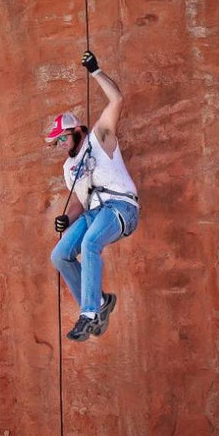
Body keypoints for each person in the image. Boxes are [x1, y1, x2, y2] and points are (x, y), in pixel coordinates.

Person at [46, 51, 139, 342]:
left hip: (121, 208)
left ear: (77, 131)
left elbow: (117, 100)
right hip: (93, 213)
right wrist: (66, 218)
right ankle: (99, 302)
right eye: (57, 141)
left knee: (89, 243)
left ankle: (89, 313)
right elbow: (78, 202)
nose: (61, 144)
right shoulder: (68, 166)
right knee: (60, 256)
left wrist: (96, 71)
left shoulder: (100, 138)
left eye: (63, 137)